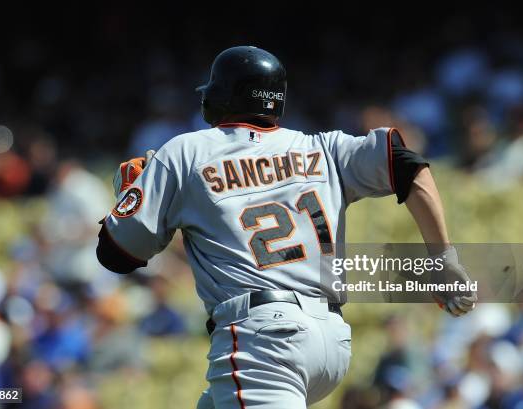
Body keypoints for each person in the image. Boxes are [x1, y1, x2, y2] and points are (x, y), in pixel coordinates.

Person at [96, 46, 476, 408]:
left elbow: (116, 254)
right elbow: (406, 163)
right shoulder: (321, 147)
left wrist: (131, 193)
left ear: (225, 95)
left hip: (262, 341)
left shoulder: (186, 151)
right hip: (330, 341)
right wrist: (443, 258)